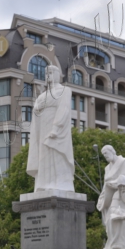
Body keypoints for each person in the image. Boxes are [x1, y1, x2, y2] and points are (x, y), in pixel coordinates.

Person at [27, 65, 75, 194]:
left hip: (56, 131)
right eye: (46, 73)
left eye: (50, 72)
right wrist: (36, 108)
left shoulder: (64, 90)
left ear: (57, 74)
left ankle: (61, 183)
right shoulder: (42, 96)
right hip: (42, 129)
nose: (47, 75)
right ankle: (43, 184)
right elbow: (35, 111)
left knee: (57, 154)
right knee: (44, 157)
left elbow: (63, 109)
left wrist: (56, 128)